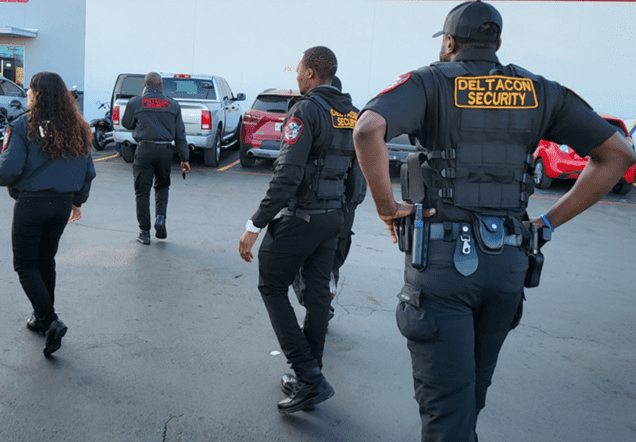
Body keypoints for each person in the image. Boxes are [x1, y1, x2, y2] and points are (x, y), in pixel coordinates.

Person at [352, 1, 636, 441]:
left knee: (446, 411)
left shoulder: (429, 82)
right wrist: (548, 223)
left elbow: (368, 129)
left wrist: (386, 206)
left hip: (444, 267)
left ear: (449, 42)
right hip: (509, 265)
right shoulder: (540, 91)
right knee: (471, 396)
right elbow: (618, 154)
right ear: (497, 44)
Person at [239, 46, 359, 414]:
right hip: (333, 218)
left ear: (309, 73)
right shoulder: (351, 115)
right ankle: (311, 374)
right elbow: (357, 178)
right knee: (318, 294)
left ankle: (308, 375)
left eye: (299, 70)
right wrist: (342, 215)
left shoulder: (306, 110)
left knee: (271, 285)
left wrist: (255, 224)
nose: (297, 76)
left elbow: (287, 173)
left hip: (301, 218)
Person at [0, 71, 96, 357]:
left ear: (38, 94)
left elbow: (7, 170)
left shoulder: (22, 126)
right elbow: (88, 171)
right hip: (62, 204)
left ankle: (50, 319)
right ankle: (42, 318)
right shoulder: (78, 127)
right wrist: (78, 201)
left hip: (31, 204)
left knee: (26, 265)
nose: (28, 94)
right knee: (45, 260)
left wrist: (12, 182)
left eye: (30, 89)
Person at [292, 75, 367, 319]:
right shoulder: (357, 117)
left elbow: (294, 167)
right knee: (330, 262)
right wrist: (350, 204)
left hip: (315, 208)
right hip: (345, 209)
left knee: (300, 264)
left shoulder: (312, 113)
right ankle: (324, 299)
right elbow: (359, 171)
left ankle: (318, 305)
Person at [122, 72, 190, 245]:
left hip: (144, 149)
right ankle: (160, 218)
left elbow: (126, 123)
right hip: (165, 150)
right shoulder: (173, 105)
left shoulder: (136, 102)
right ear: (161, 85)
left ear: (145, 85)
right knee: (162, 186)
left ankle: (144, 233)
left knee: (142, 191)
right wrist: (184, 158)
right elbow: (180, 134)